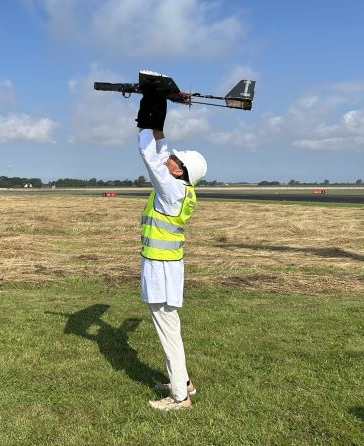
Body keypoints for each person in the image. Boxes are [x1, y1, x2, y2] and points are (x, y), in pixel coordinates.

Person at [136, 86, 208, 411]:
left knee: (168, 333)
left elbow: (148, 151)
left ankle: (180, 397)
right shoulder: (181, 187)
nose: (169, 160)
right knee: (171, 329)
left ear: (180, 170)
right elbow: (161, 150)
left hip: (161, 271)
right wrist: (159, 105)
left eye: (174, 160)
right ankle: (185, 381)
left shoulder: (170, 189)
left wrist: (147, 110)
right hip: (168, 267)